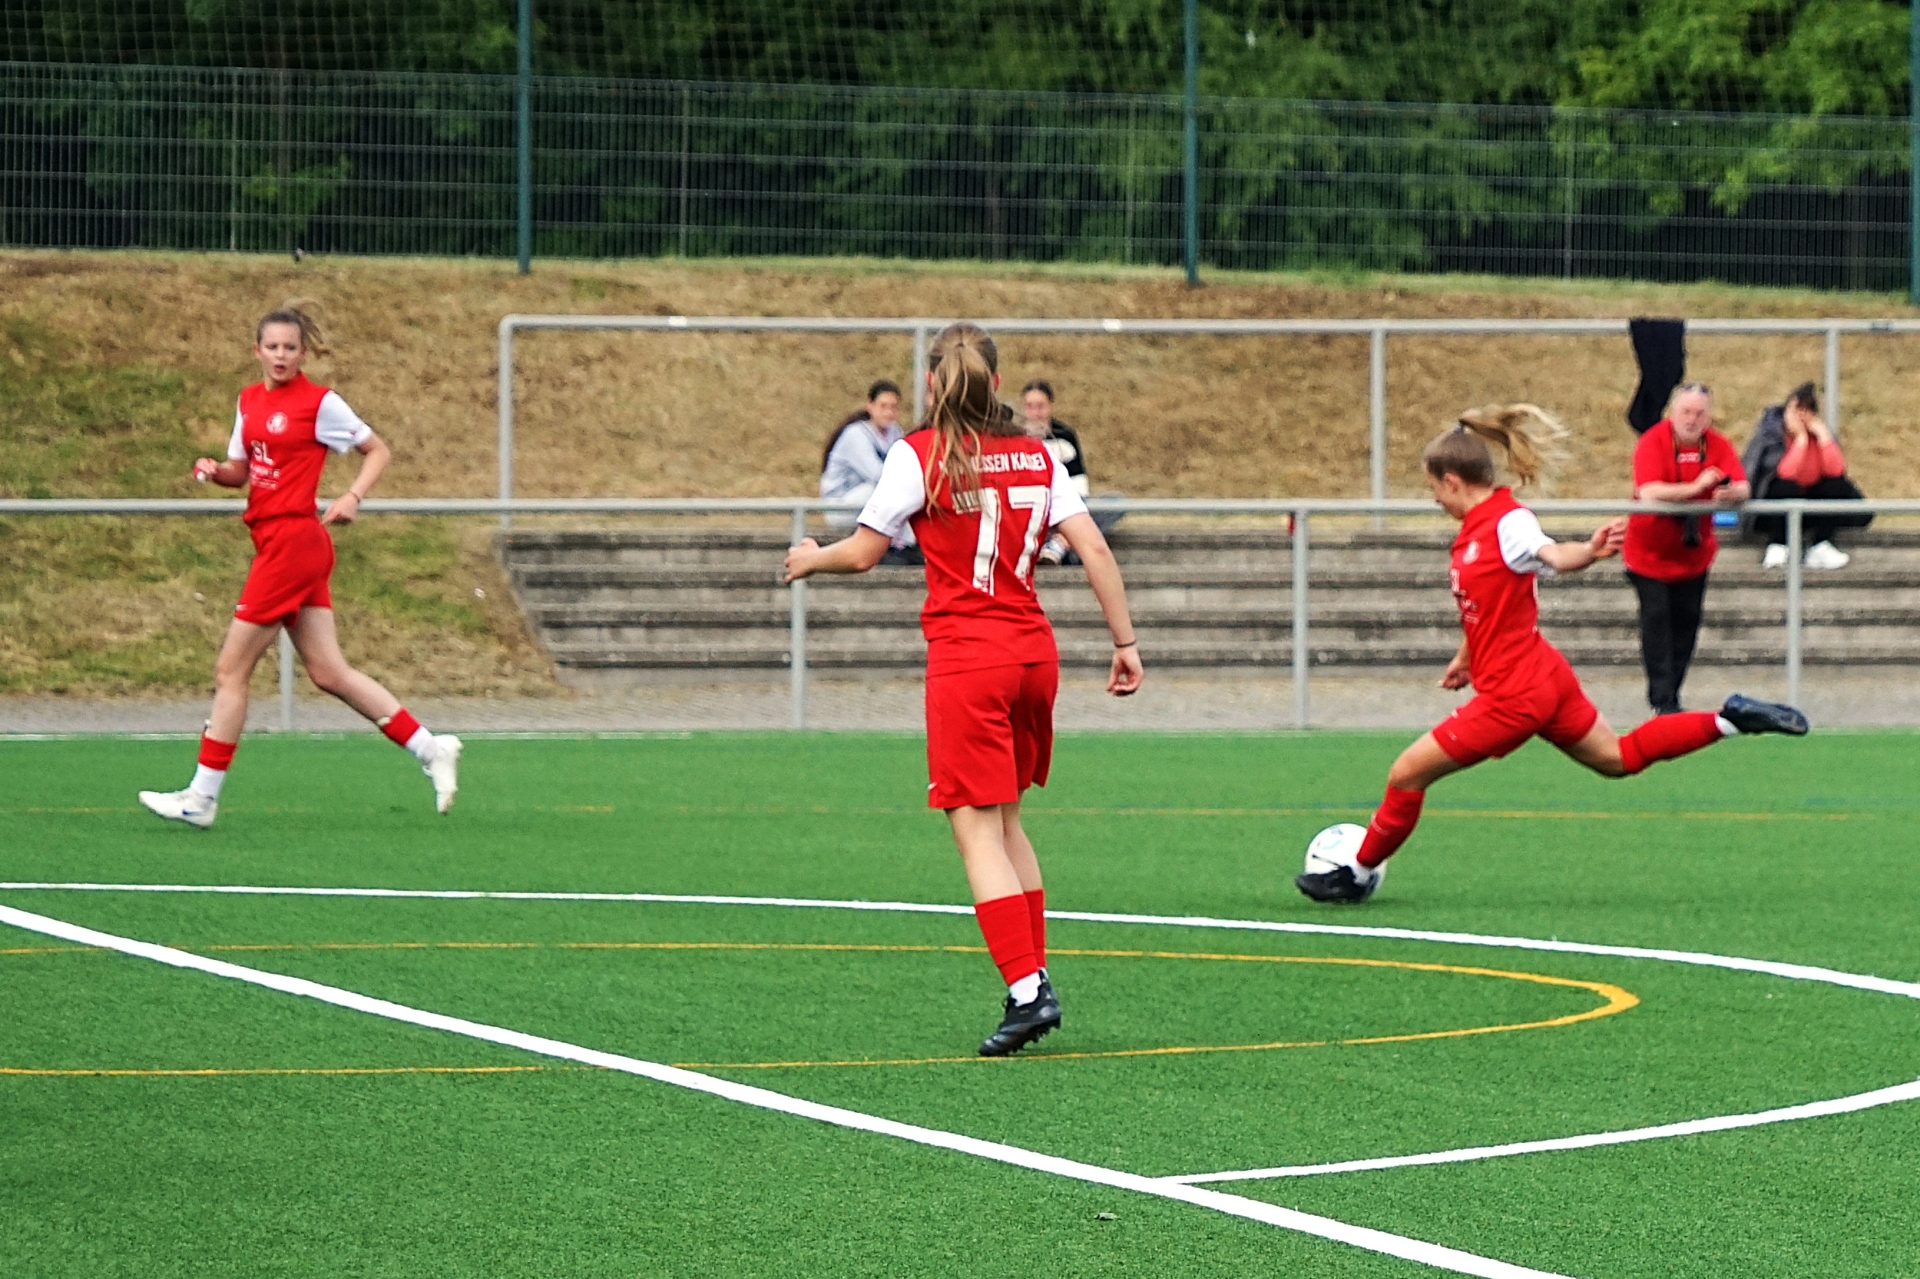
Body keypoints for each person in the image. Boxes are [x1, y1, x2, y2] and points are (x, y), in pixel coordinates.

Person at [785, 323, 1144, 1055]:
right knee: (1007, 822)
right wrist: (1125, 643)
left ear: (930, 384)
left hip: (970, 659)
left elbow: (864, 552)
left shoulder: (920, 453)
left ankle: (1027, 990)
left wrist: (811, 557)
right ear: (998, 384)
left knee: (975, 829)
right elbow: (1094, 547)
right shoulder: (1038, 453)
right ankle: (1032, 976)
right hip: (1033, 654)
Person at [1295, 405, 1808, 905]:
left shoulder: (1507, 522)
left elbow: (1553, 554)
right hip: (1543, 675)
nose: (1433, 499)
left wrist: (1588, 551)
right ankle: (1730, 719)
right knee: (1618, 758)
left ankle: (1353, 872)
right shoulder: (1479, 529)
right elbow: (1488, 603)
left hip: (1514, 695)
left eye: (1433, 487)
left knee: (1406, 775)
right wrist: (1467, 656)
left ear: (1452, 481)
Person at [137, 303, 461, 829]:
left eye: (291, 347)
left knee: (230, 672)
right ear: (257, 351)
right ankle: (430, 747)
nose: (281, 355)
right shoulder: (248, 401)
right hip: (280, 544)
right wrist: (215, 470)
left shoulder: (320, 403)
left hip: (293, 542)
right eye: (273, 347)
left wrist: (352, 496)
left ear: (303, 353)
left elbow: (377, 450)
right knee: (329, 672)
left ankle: (201, 797)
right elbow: (242, 471)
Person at [1622, 383, 1749, 716]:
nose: (1692, 420)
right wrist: (1695, 488)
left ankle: (1672, 697)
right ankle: (1662, 700)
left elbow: (1742, 486)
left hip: (1694, 554)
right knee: (1656, 621)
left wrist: (1730, 494)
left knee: (1687, 623)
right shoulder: (1653, 441)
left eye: (1699, 413)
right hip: (1648, 554)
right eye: (1686, 412)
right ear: (1672, 412)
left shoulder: (1717, 444)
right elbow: (1649, 492)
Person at [1743, 382, 1870, 571]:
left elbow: (1836, 471)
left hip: (1811, 507)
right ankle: (1778, 545)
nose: (1803, 416)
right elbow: (1785, 473)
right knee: (1786, 487)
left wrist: (1823, 436)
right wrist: (1801, 440)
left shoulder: (1819, 436)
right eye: (1797, 409)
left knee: (1834, 486)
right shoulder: (1771, 437)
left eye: (1809, 409)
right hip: (1771, 511)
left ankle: (1820, 545)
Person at [1020, 380, 1119, 565]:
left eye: (1040, 406)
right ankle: (1066, 548)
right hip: (1029, 509)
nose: (1035, 413)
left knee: (1115, 502)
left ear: (1050, 406)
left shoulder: (1064, 436)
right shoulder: (1014, 437)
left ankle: (1060, 543)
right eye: (1029, 407)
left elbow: (1079, 484)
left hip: (1064, 508)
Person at [820, 380, 918, 563]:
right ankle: (900, 545)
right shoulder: (855, 434)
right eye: (883, 406)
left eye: (893, 407)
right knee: (882, 491)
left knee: (901, 493)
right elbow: (877, 475)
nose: (888, 412)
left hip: (864, 505)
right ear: (870, 406)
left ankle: (906, 545)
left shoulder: (895, 432)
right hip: (840, 507)